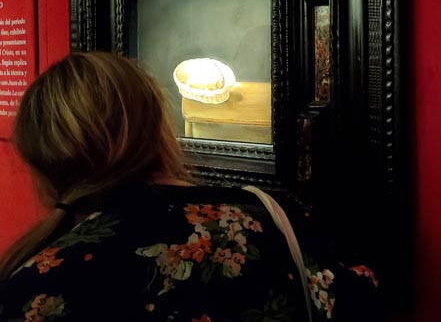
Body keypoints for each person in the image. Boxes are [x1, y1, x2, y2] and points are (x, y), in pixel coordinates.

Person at [0, 52, 379, 322]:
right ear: (157, 123)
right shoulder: (274, 219)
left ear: (41, 157)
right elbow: (355, 297)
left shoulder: (35, 285)